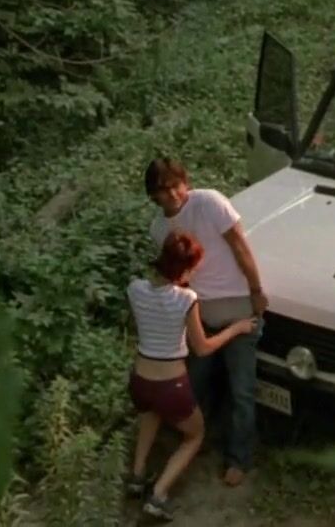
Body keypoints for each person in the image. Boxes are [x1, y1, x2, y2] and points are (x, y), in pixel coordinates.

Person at [144, 157, 267, 487]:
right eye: (164, 190)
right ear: (154, 195)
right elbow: (175, 275)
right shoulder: (159, 229)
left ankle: (239, 458)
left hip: (238, 306)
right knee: (194, 384)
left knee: (242, 389)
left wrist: (256, 290)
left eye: (176, 185)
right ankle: (195, 440)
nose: (173, 194)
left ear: (186, 182)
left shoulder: (210, 203)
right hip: (198, 311)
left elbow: (240, 246)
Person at [126, 231, 258, 521]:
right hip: (170, 384)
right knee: (194, 435)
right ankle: (158, 494)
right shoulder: (186, 298)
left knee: (150, 413)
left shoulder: (135, 288)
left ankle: (137, 475)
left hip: (140, 378)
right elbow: (203, 347)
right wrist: (236, 328)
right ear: (184, 270)